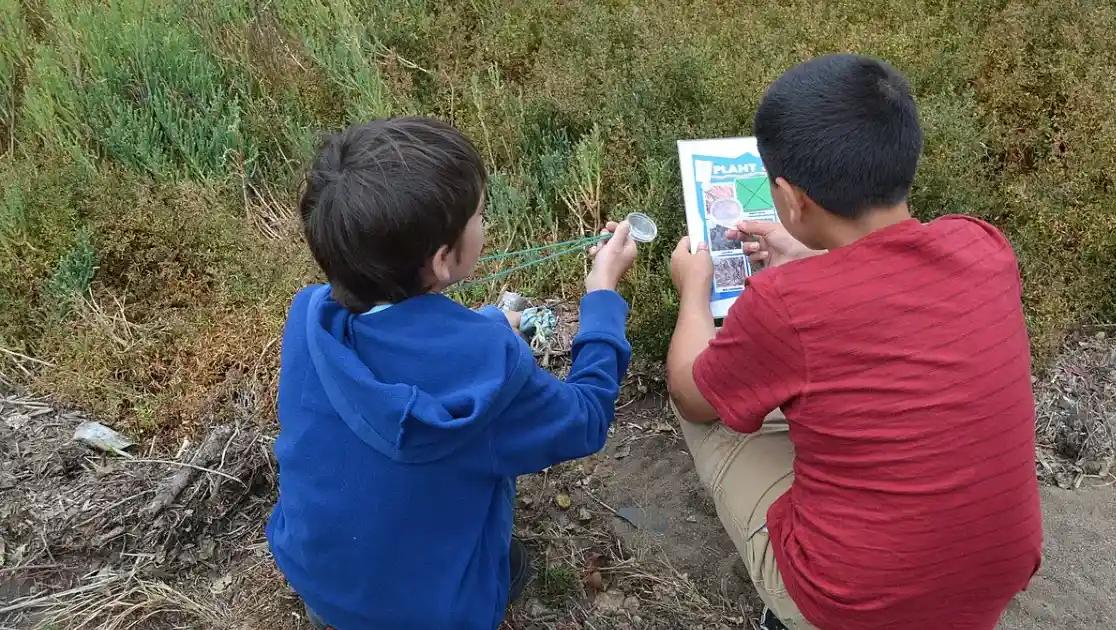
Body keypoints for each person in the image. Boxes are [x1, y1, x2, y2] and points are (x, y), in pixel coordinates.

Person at [666, 54, 1043, 630]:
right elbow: (894, 301)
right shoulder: (983, 245)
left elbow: (693, 394)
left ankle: (792, 615)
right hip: (997, 574)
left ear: (791, 200)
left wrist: (692, 291)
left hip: (850, 601)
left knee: (700, 402)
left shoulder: (785, 304)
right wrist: (815, 258)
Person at [267, 117, 638, 630]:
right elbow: (587, 419)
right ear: (442, 260)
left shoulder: (308, 316)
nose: (484, 225)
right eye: (480, 216)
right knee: (511, 565)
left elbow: (413, 353)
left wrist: (489, 325)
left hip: (319, 580)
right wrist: (602, 299)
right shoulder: (493, 361)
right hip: (435, 616)